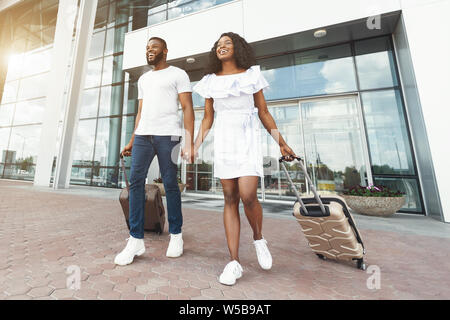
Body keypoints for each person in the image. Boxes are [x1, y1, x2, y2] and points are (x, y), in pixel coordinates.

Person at [193, 32, 296, 285]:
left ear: (237, 47)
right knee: (230, 197)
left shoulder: (251, 75)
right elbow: (208, 118)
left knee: (248, 195)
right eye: (218, 45)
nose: (222, 47)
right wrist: (194, 145)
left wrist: (281, 143)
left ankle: (259, 238)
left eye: (227, 43)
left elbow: (263, 112)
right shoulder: (209, 81)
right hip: (225, 139)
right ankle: (234, 262)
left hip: (248, 137)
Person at [114, 37, 195, 266]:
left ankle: (176, 235)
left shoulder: (178, 74)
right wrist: (132, 139)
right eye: (147, 48)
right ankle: (135, 239)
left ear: (165, 51)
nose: (150, 50)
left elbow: (188, 108)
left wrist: (188, 141)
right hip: (143, 136)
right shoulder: (143, 79)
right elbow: (140, 112)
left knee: (170, 183)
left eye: (154, 47)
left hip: (169, 135)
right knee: (135, 182)